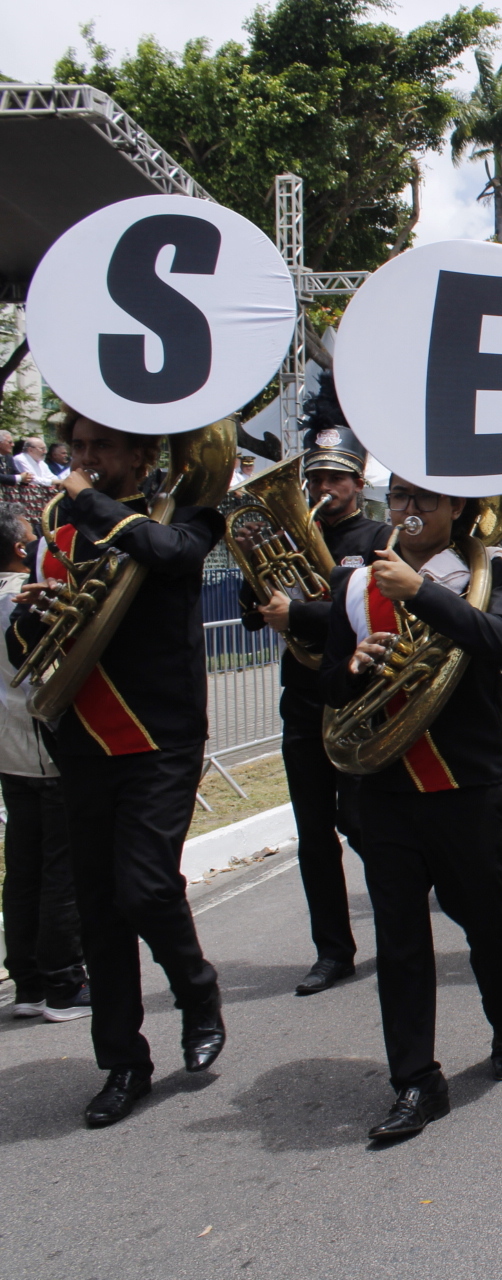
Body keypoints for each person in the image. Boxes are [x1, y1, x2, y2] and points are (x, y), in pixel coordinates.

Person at [8, 411, 227, 1128]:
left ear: (141, 454)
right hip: (82, 738)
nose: (85, 458)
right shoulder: (57, 531)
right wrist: (32, 619)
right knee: (98, 910)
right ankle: (124, 1063)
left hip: (158, 733)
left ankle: (196, 992)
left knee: (146, 889)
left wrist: (87, 499)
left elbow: (168, 555)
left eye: (102, 447)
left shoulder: (186, 511)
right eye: (78, 448)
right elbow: (22, 645)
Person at [323, 477, 502, 1139]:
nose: (410, 512)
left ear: (457, 509)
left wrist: (421, 595)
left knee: (488, 923)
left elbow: (500, 642)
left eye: (426, 501)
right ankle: (416, 1081)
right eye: (402, 500)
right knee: (401, 941)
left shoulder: (498, 570)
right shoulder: (356, 585)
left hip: (467, 785)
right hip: (388, 786)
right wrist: (352, 663)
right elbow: (326, 683)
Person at [243, 380, 389, 995]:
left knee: (362, 820)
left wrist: (298, 615)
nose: (324, 490)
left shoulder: (379, 540)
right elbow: (256, 612)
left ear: (357, 482)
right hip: (301, 697)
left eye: (336, 479)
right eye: (317, 479)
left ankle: (399, 912)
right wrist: (255, 570)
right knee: (313, 833)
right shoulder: (288, 531)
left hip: (358, 698)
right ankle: (332, 949)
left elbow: (370, 616)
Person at [0, 504, 85, 1022]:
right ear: (17, 548)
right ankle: (62, 983)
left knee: (24, 867)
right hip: (38, 743)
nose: (38, 546)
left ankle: (29, 981)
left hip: (9, 749)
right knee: (60, 867)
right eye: (33, 538)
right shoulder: (22, 600)